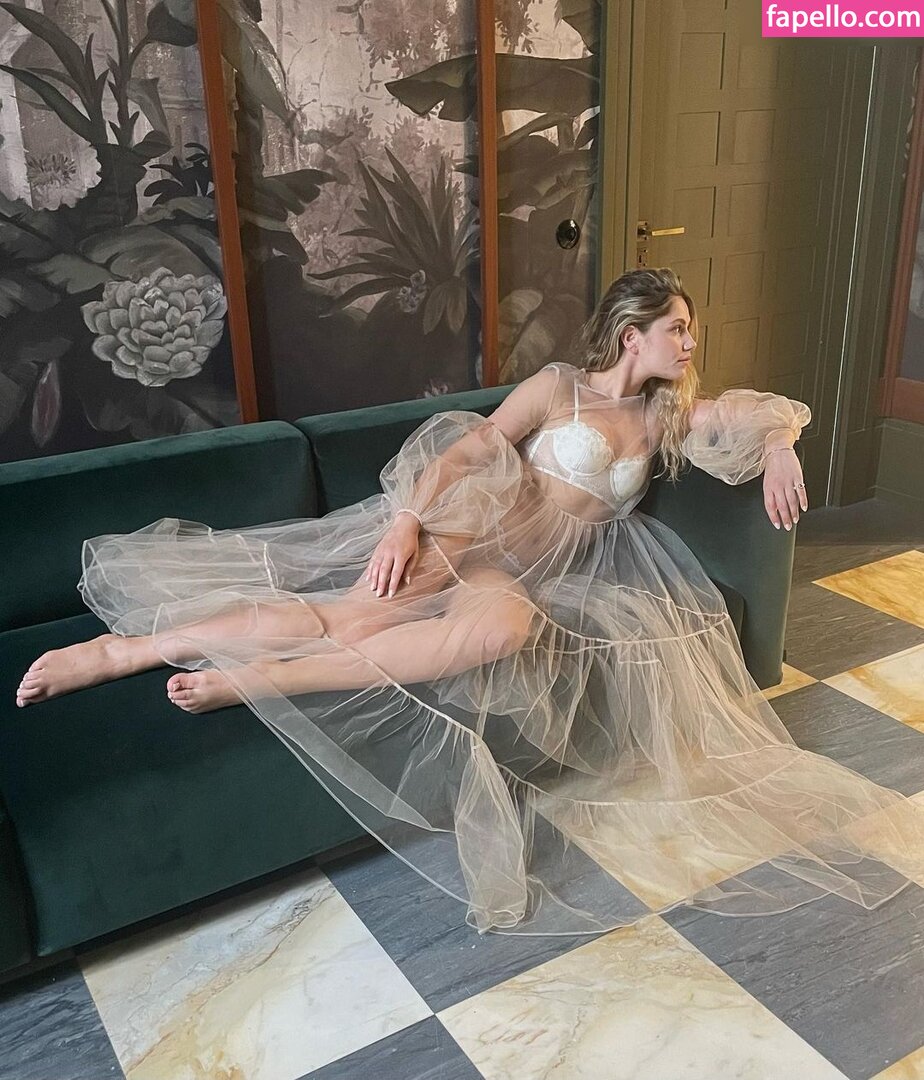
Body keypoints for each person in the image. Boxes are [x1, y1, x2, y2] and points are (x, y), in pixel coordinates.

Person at [14, 267, 924, 935]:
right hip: (465, 532)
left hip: (527, 578)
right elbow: (467, 446)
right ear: (632, 333)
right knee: (346, 611)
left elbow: (756, 411)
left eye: (691, 331)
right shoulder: (558, 387)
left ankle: (263, 676)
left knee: (502, 631)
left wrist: (781, 447)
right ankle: (123, 652)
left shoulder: (662, 417)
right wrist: (407, 522)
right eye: (677, 329)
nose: (690, 344)